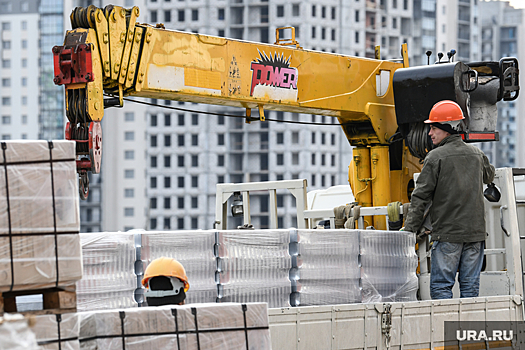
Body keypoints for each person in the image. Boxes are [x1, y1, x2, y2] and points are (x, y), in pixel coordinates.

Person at [404, 100, 495, 299]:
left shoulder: (435, 158)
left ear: (447, 129)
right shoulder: (476, 154)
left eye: (433, 128)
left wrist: (409, 231)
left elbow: (420, 197)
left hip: (448, 236)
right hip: (475, 235)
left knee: (441, 288)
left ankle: (444, 329)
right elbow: (489, 176)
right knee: (470, 288)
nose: (429, 133)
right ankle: (465, 329)